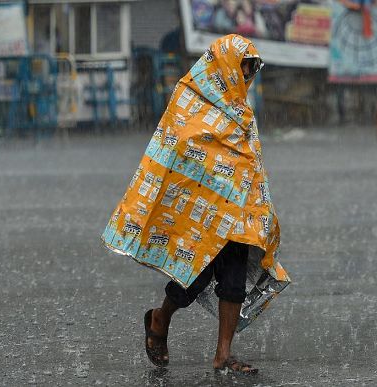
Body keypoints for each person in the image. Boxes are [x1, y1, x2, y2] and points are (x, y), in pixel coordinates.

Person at [101, 34, 290, 374]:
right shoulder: (190, 98)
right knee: (192, 279)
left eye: (251, 71)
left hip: (236, 214)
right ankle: (159, 319)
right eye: (244, 69)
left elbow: (249, 164)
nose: (247, 78)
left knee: (233, 281)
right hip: (199, 213)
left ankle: (223, 355)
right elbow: (177, 149)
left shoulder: (241, 111)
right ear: (226, 67)